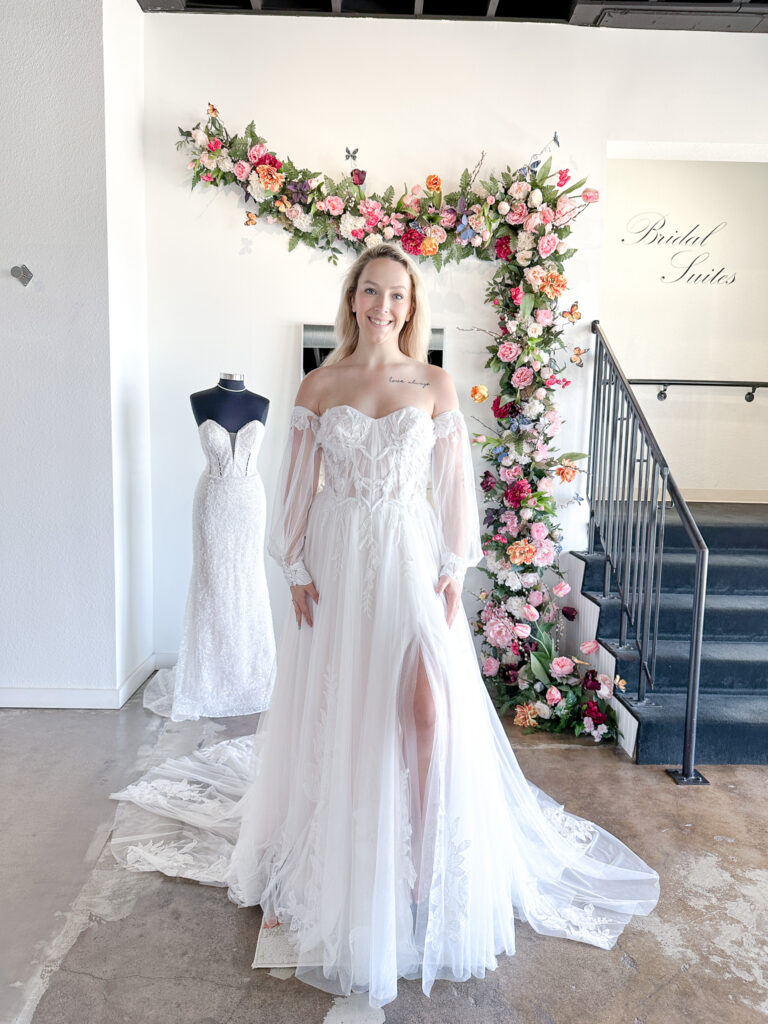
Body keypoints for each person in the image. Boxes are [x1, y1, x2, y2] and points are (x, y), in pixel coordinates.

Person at [111, 242, 659, 1009]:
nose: (384, 306)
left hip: (406, 555)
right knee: (338, 701)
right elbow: (296, 485)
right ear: (354, 299)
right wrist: (293, 566)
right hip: (336, 559)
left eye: (397, 294)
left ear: (411, 304)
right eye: (371, 292)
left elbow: (453, 488)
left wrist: (453, 566)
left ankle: (421, 860)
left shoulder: (432, 383)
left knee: (426, 708)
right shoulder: (319, 383)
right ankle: (328, 846)